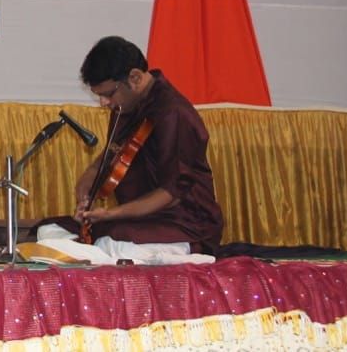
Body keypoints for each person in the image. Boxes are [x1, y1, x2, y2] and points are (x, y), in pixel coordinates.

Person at [36, 35, 224, 265]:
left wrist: (112, 214)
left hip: (184, 223)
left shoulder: (173, 113)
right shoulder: (125, 105)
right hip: (141, 220)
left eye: (107, 94)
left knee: (113, 244)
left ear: (135, 77)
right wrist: (85, 192)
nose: (104, 103)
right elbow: (108, 158)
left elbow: (171, 194)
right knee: (49, 230)